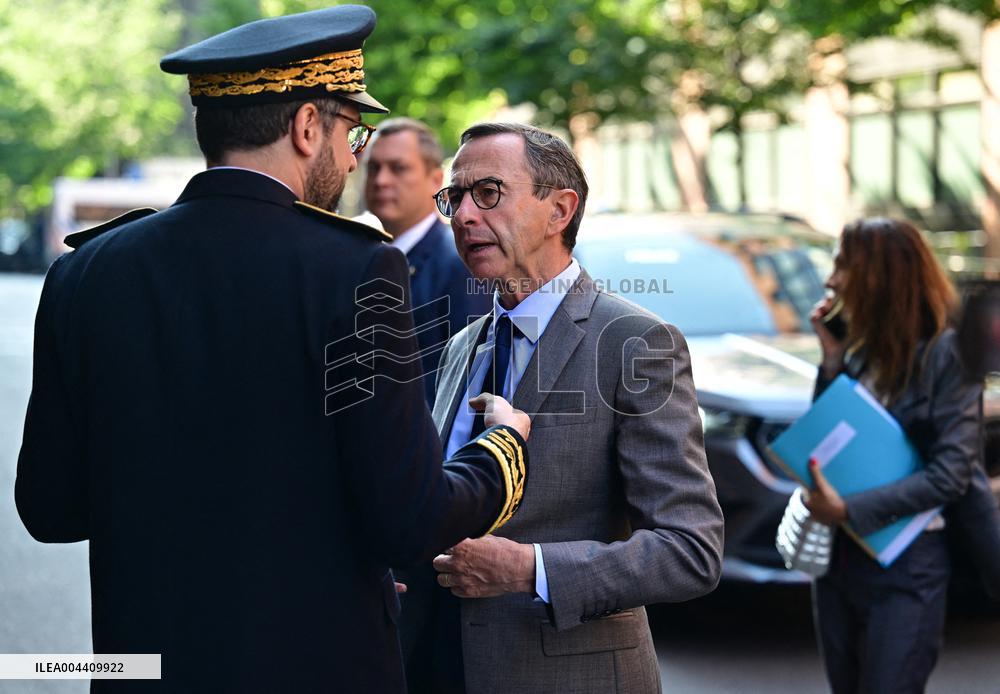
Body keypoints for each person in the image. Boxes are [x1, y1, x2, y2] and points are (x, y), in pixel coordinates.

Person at [14, 7, 528, 693]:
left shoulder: (85, 271)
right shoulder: (357, 269)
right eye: (352, 132)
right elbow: (409, 520)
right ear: (308, 126)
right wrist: (502, 450)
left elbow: (50, 509)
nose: (354, 158)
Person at [398, 122, 724, 694]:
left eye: (489, 193)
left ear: (560, 210)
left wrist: (531, 570)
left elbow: (691, 550)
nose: (464, 216)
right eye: (455, 197)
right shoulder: (461, 345)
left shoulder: (634, 341)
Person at [806, 217, 1000, 694]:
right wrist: (831, 360)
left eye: (843, 267)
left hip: (908, 565)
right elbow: (827, 439)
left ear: (879, 277)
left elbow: (952, 474)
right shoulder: (860, 350)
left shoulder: (949, 354)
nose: (831, 281)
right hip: (841, 562)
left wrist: (848, 508)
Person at [364, 118, 491, 403]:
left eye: (398, 168)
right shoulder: (367, 258)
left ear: (435, 180)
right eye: (373, 168)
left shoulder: (459, 263)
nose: (381, 180)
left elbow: (470, 381)